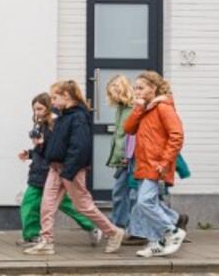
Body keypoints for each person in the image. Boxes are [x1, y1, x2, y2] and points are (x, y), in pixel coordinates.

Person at [25, 80, 125, 256]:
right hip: (55, 168)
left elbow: (80, 147)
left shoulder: (78, 117)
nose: (52, 101)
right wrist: (40, 147)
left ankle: (113, 232)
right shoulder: (63, 116)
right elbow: (55, 145)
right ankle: (46, 241)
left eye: (55, 97)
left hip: (71, 170)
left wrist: (69, 172)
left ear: (66, 96)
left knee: (83, 205)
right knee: (47, 205)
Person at [17, 93, 98, 247]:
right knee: (29, 203)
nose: (36, 113)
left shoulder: (57, 125)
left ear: (49, 107)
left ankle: (92, 227)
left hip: (51, 172)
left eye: (40, 109)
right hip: (38, 172)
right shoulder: (40, 124)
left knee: (68, 204)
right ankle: (32, 235)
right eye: (34, 110)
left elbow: (54, 150)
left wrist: (41, 145)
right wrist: (29, 153)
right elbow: (41, 150)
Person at [123, 71, 188, 258]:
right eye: (135, 88)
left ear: (153, 88)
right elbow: (129, 129)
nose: (137, 91)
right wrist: (138, 109)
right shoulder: (146, 109)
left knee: (144, 202)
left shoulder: (163, 107)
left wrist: (165, 161)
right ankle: (156, 243)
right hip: (143, 163)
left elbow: (177, 135)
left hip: (156, 164)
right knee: (149, 203)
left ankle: (172, 231)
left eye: (141, 88)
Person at [104, 75, 136, 231]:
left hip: (128, 160)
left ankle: (118, 226)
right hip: (124, 159)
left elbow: (132, 136)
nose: (111, 97)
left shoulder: (133, 109)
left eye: (112, 93)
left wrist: (127, 156)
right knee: (125, 193)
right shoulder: (121, 109)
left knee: (120, 193)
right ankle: (123, 225)